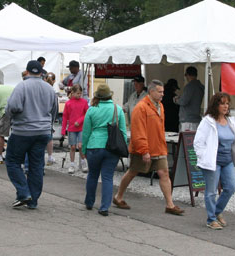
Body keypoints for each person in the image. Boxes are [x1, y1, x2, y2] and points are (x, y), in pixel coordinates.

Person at [113, 79, 184, 215]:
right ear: (151, 92)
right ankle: (118, 196)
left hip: (158, 147)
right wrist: (144, 150)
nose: (163, 94)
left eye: (163, 92)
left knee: (164, 173)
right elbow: (138, 131)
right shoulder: (141, 107)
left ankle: (170, 204)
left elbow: (159, 128)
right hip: (143, 149)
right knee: (132, 171)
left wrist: (161, 144)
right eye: (160, 92)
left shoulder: (160, 106)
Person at [5, 60, 58, 209]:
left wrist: (12, 114)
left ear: (27, 72)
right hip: (42, 132)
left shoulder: (21, 86)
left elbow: (13, 106)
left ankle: (23, 192)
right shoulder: (49, 89)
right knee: (36, 165)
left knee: (12, 162)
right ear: (41, 73)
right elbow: (54, 111)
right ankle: (33, 200)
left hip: (22, 131)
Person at [193, 92, 235, 229]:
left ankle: (217, 212)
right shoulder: (207, 121)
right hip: (212, 161)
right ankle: (211, 219)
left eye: (227, 103)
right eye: (222, 103)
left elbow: (234, 141)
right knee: (211, 191)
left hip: (227, 160)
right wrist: (203, 157)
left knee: (231, 187)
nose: (225, 106)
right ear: (215, 105)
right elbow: (198, 142)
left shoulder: (230, 121)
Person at [81, 84, 127, 216]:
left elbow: (86, 132)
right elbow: (123, 132)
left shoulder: (91, 110)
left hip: (94, 145)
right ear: (110, 95)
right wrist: (122, 149)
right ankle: (104, 207)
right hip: (111, 147)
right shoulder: (117, 109)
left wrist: (83, 149)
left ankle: (89, 202)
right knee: (107, 177)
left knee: (92, 175)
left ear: (97, 96)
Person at [62, 84, 88, 173]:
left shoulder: (84, 102)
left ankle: (83, 162)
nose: (79, 95)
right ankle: (72, 164)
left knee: (80, 146)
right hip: (72, 128)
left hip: (81, 127)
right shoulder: (68, 103)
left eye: (80, 93)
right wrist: (63, 130)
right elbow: (65, 117)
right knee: (72, 147)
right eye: (77, 93)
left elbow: (87, 114)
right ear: (72, 93)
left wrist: (80, 121)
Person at [177, 66, 205, 132]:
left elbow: (183, 101)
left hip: (187, 119)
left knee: (186, 140)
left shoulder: (189, 86)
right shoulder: (200, 86)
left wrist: (176, 100)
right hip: (196, 118)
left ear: (188, 75)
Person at [0, 83, 15, 164]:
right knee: (15, 134)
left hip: (5, 111)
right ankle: (12, 155)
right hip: (17, 111)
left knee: (0, 134)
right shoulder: (9, 87)